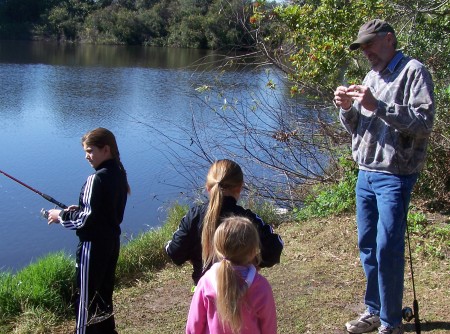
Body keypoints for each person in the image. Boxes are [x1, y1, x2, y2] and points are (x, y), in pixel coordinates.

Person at [334, 19, 434, 334]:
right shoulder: (370, 76)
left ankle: (391, 322)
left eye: (370, 45)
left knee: (387, 247)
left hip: (395, 174)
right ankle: (375, 310)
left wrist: (378, 105)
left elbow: (423, 123)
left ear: (389, 39)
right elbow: (359, 128)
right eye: (362, 47)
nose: (366, 53)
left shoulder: (413, 72)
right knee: (368, 246)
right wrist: (348, 109)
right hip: (365, 172)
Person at [47, 127, 130, 334]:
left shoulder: (96, 179)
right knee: (103, 295)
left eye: (90, 151)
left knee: (85, 298)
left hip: (92, 248)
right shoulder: (118, 173)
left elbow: (84, 221)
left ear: (106, 149)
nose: (87, 156)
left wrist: (61, 216)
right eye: (86, 152)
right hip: (111, 244)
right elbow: (100, 211)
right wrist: (81, 208)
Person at [165, 159, 283, 285]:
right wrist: (253, 263)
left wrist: (193, 257)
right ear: (240, 187)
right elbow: (275, 248)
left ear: (208, 188)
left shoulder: (193, 216)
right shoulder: (247, 219)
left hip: (204, 292)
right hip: (242, 289)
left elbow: (174, 252)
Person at [186, 216, 277, 334]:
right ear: (254, 251)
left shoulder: (206, 282)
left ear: (218, 248)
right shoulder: (261, 286)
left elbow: (194, 325)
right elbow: (269, 328)